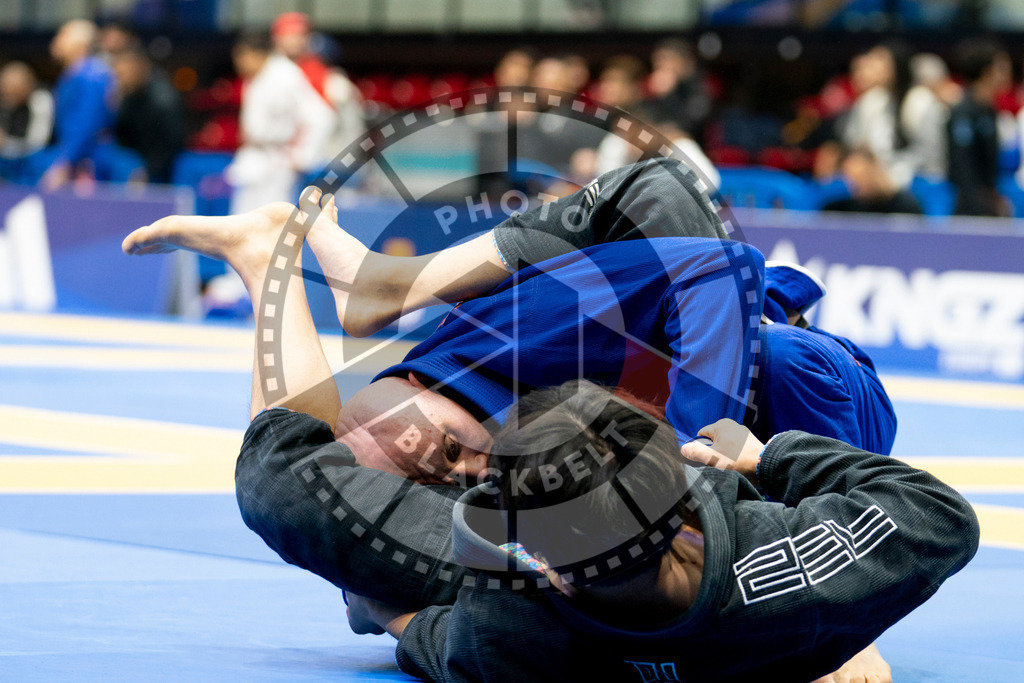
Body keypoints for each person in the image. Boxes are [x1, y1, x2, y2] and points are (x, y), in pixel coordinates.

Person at [346, 380, 978, 682]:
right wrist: (766, 456)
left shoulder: (516, 629)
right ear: (686, 493)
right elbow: (940, 512)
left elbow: (440, 643)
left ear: (542, 564)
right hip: (791, 620)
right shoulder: (795, 569)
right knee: (794, 362)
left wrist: (377, 603)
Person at [23, 19, 139, 189]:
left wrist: (64, 162)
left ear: (80, 43)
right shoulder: (73, 74)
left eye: (63, 35)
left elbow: (87, 123)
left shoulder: (92, 75)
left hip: (90, 156)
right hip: (72, 151)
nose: (56, 40)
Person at [227, 31, 334, 214]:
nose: (238, 64)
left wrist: (304, 156)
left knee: (270, 226)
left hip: (277, 163)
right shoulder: (254, 78)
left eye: (240, 57)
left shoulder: (286, 75)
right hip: (253, 160)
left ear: (254, 53)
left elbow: (322, 117)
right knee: (240, 226)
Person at [271, 12, 363, 159]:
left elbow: (349, 126)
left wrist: (347, 158)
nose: (293, 40)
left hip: (319, 156)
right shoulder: (268, 73)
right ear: (277, 38)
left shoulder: (326, 76)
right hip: (277, 155)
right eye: (288, 34)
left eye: (299, 34)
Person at [947, 39, 1012, 217]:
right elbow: (962, 167)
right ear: (987, 72)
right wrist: (981, 205)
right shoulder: (963, 112)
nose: (1007, 72)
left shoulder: (990, 110)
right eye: (1001, 66)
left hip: (987, 202)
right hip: (969, 208)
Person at [111, 47, 186, 183]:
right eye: (118, 75)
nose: (120, 79)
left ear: (140, 68)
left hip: (163, 169)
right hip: (136, 162)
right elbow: (121, 137)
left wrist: (148, 172)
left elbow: (171, 144)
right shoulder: (127, 97)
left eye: (124, 74)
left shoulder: (164, 99)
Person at [823, 147, 923, 215]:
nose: (858, 184)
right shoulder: (844, 209)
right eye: (852, 179)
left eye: (862, 176)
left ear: (875, 170)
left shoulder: (907, 207)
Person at [0, 61, 53, 181]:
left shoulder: (40, 99)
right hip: (7, 157)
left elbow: (38, 141)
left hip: (34, 157)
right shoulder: (6, 99)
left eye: (14, 90)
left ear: (26, 87)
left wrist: (6, 144)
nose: (9, 96)